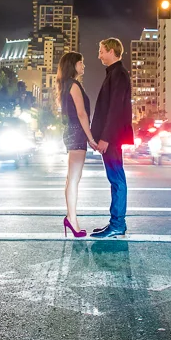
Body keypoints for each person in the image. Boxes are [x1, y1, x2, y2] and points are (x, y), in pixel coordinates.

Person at [89, 38, 134, 239]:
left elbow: (115, 109)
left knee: (117, 180)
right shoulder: (114, 74)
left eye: (101, 51)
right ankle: (115, 224)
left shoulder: (119, 75)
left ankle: (117, 225)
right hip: (111, 137)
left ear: (111, 51)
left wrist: (105, 137)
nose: (98, 55)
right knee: (115, 179)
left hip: (112, 138)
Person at [56, 52, 97, 238]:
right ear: (74, 65)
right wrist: (90, 138)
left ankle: (70, 218)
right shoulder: (74, 85)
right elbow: (82, 114)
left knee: (71, 178)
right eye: (81, 63)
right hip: (77, 132)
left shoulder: (66, 85)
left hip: (72, 131)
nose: (84, 66)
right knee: (73, 179)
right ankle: (72, 219)